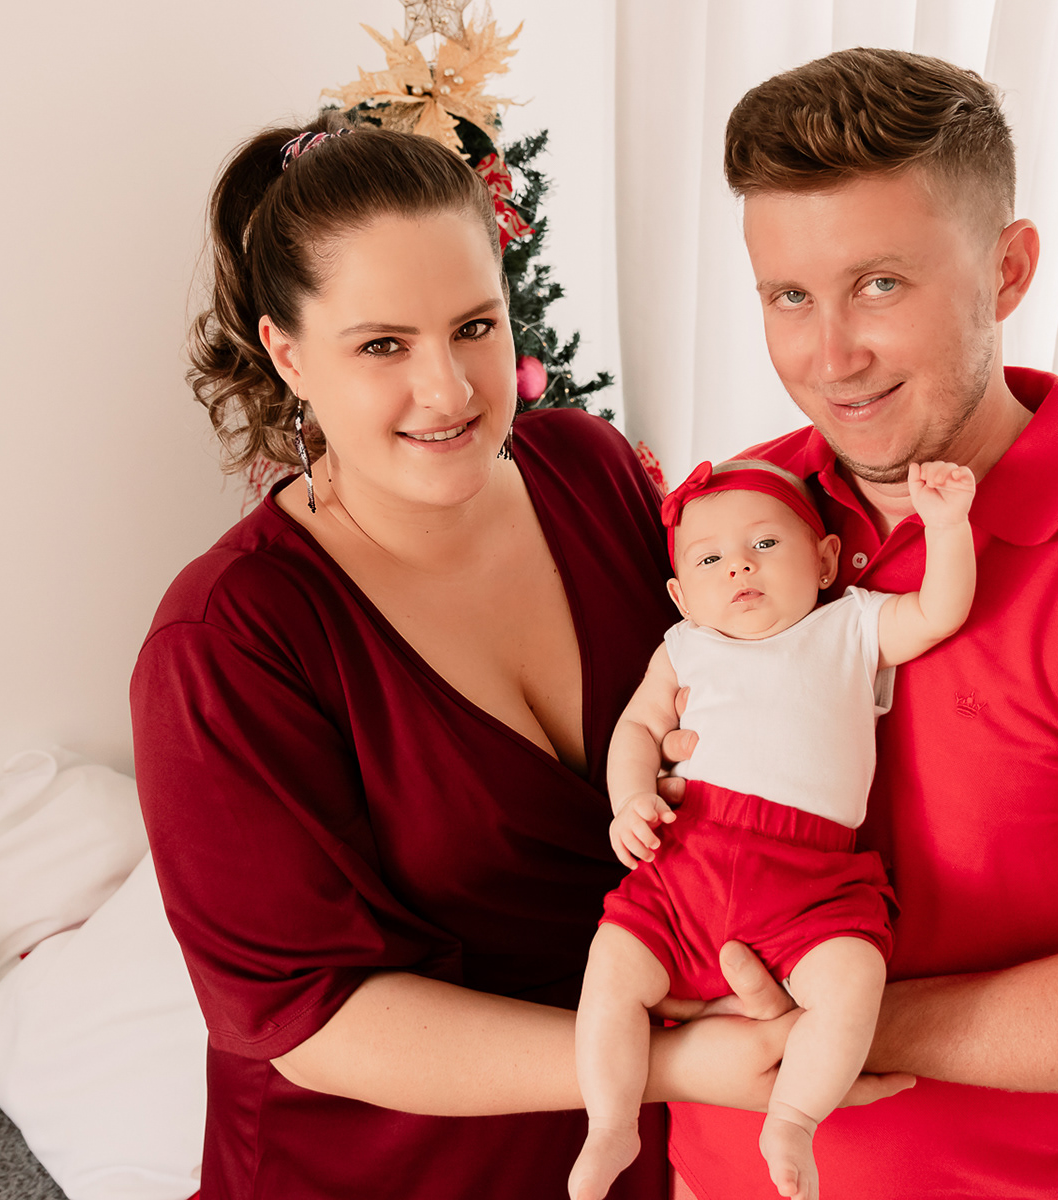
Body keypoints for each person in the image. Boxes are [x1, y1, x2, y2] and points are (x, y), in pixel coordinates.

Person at [128, 122, 909, 1200]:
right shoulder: (228, 639)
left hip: (634, 1147)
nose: (449, 389)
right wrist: (671, 1065)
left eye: (474, 326)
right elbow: (309, 1020)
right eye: (383, 345)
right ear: (289, 353)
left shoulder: (589, 470)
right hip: (385, 1167)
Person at [660, 49, 1058, 1199]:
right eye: (789, 296)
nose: (831, 355)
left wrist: (837, 1025)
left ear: (1008, 270)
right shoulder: (736, 522)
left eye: (879, 285)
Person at [571, 458, 975, 1200]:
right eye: (710, 560)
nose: (739, 568)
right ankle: (610, 1121)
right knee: (612, 969)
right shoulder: (685, 647)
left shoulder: (849, 625)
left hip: (810, 879)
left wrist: (948, 527)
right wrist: (630, 799)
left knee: (853, 978)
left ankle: (792, 1117)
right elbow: (639, 729)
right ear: (680, 595)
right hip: (687, 858)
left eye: (764, 545)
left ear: (824, 560)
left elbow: (938, 612)